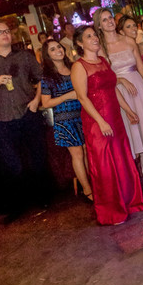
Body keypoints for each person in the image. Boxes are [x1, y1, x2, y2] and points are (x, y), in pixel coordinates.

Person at [71, 26, 143, 225]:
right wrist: (100, 121)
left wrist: (128, 110)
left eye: (95, 35)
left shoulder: (103, 61)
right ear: (80, 43)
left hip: (115, 118)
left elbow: (113, 89)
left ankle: (128, 201)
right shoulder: (79, 66)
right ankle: (112, 211)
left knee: (121, 158)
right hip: (97, 122)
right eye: (89, 36)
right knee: (104, 164)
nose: (95, 38)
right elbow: (82, 98)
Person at [93, 8, 143, 191]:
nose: (109, 22)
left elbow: (142, 68)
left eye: (110, 18)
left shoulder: (129, 41)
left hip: (139, 89)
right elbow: (104, 76)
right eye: (104, 20)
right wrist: (119, 79)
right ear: (99, 25)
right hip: (119, 93)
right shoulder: (100, 49)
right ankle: (139, 182)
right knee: (131, 135)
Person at [0, 19, 52, 217]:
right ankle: (18, 205)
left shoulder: (24, 56)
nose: (5, 34)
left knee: (37, 158)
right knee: (11, 164)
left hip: (27, 113)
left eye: (7, 31)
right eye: (0, 32)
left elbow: (42, 78)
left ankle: (43, 198)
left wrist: (36, 100)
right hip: (0, 118)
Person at [40, 39, 93, 200]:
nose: (58, 50)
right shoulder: (48, 77)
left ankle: (95, 184)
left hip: (83, 114)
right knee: (77, 153)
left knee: (87, 150)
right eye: (53, 49)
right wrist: (67, 96)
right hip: (65, 120)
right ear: (48, 56)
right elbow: (46, 103)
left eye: (59, 47)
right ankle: (87, 190)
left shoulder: (74, 67)